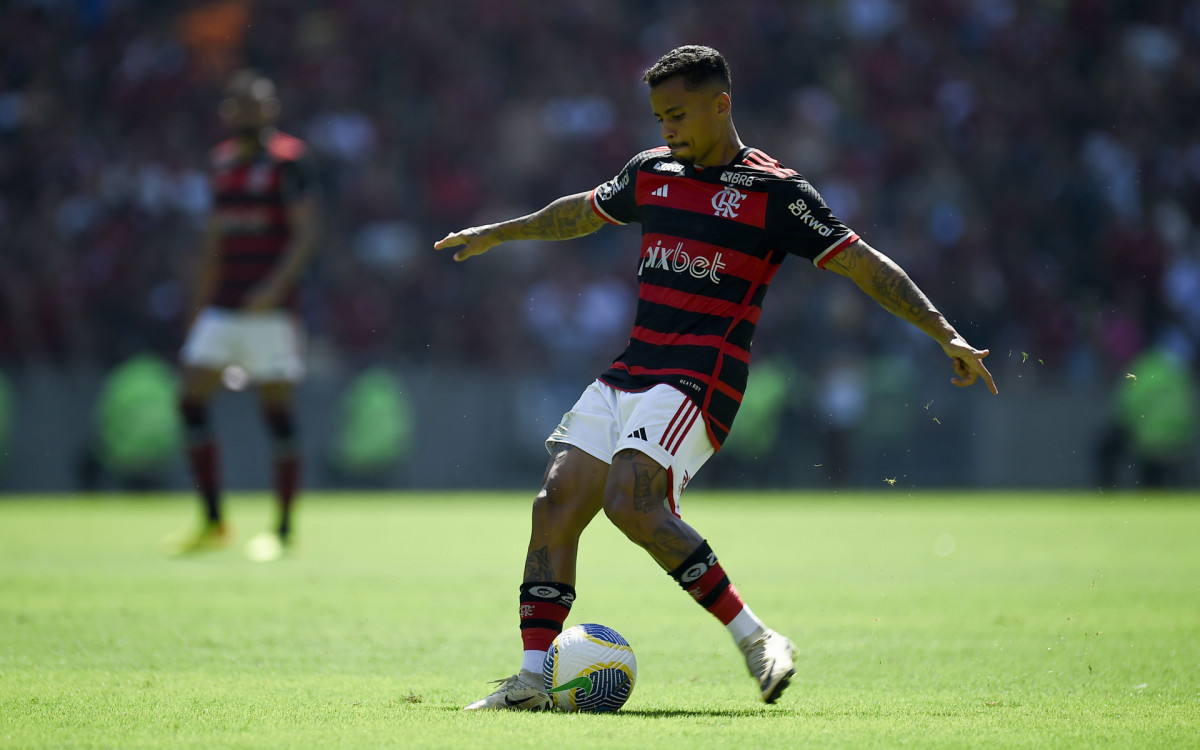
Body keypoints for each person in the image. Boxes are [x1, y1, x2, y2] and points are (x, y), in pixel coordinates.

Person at [435, 45, 997, 710]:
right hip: (633, 368)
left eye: (677, 114)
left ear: (721, 103)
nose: (665, 128)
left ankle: (759, 639)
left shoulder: (774, 192)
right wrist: (500, 233)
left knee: (630, 503)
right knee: (554, 503)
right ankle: (531, 680)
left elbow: (861, 263)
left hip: (700, 377)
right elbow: (581, 211)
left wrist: (943, 331)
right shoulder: (653, 173)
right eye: (657, 116)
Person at [164, 69, 319, 562]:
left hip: (269, 315)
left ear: (272, 110)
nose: (253, 112)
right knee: (189, 400)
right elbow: (215, 241)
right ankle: (213, 520)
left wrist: (273, 289)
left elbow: (305, 234)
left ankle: (283, 527)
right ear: (229, 112)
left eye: (261, 103)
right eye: (243, 104)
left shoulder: (289, 162)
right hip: (223, 308)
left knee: (276, 413)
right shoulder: (222, 164)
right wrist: (197, 306)